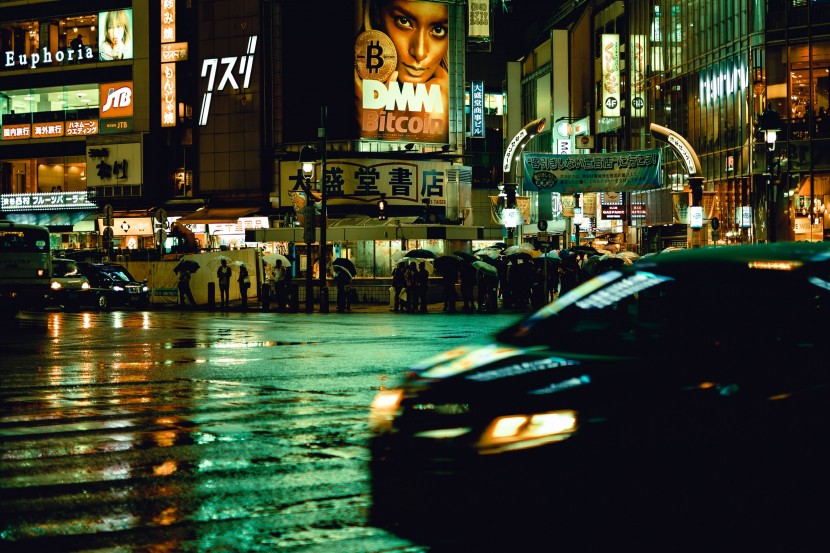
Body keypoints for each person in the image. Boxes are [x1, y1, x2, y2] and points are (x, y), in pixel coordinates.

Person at [354, 0, 449, 143]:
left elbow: (406, 163)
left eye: (438, 30)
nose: (420, 52)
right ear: (376, 14)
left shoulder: (432, 101)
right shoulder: (367, 84)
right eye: (404, 21)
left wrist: (366, 128)